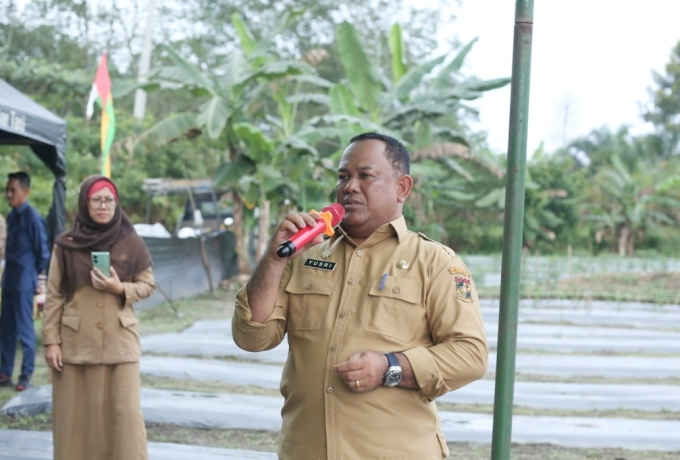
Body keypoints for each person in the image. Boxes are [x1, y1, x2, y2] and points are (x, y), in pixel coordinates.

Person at [232, 132, 488, 459]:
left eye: (365, 176)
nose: (349, 186)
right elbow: (252, 337)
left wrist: (389, 366)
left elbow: (470, 354)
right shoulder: (302, 255)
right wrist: (273, 260)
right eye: (343, 176)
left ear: (402, 188)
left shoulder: (435, 262)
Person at [42, 175, 155, 460]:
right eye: (96, 199)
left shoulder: (131, 241)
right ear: (85, 203)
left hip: (121, 343)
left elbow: (147, 285)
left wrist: (120, 288)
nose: (103, 205)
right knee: (76, 421)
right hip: (76, 345)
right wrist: (51, 342)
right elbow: (54, 295)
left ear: (117, 204)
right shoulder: (65, 245)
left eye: (109, 200)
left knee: (125, 417)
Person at [0, 171, 50, 391]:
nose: (8, 194)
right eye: (7, 189)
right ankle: (4, 372)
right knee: (6, 329)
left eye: (13, 190)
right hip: (9, 279)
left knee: (24, 329)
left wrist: (35, 276)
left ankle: (26, 374)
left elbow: (43, 253)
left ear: (25, 191)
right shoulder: (11, 216)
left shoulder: (33, 217)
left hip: (23, 281)